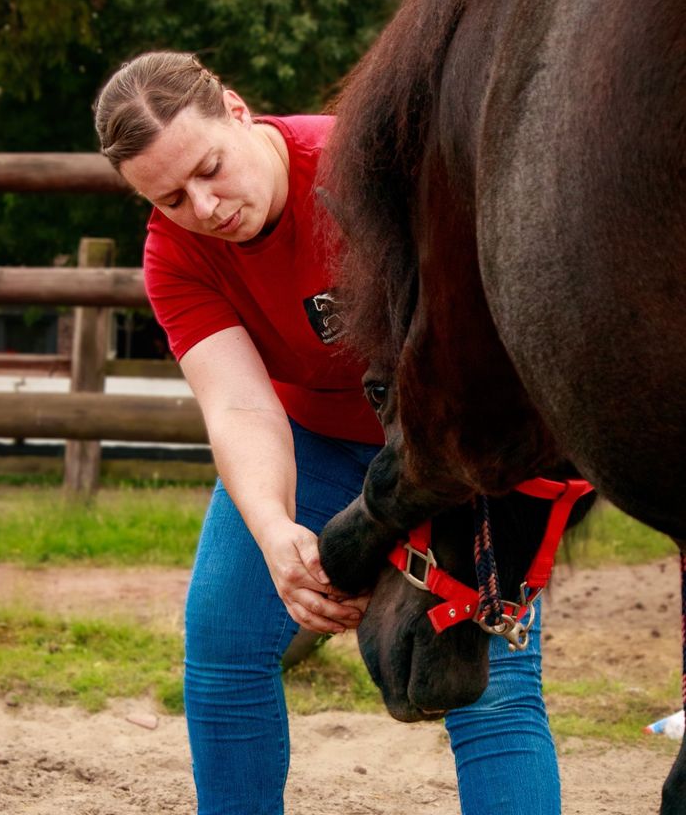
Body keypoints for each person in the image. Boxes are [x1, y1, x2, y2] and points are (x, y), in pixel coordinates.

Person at [94, 50, 561, 815]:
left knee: (492, 687)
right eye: (170, 197)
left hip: (443, 441)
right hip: (311, 440)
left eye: (210, 168)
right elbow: (239, 405)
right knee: (222, 655)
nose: (205, 208)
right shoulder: (174, 255)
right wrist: (276, 528)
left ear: (237, 110)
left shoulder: (370, 170)